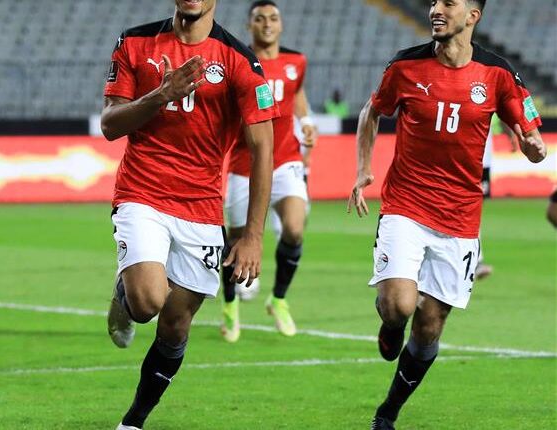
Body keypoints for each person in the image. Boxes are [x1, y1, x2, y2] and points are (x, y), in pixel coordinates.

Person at [346, 1, 546, 429]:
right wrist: (363, 169)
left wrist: (534, 146)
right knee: (399, 305)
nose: (436, 9)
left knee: (430, 327)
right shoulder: (405, 66)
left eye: (449, 3)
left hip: (460, 219)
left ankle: (388, 411)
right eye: (435, 2)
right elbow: (371, 111)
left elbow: (531, 130)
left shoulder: (498, 74)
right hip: (406, 205)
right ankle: (390, 323)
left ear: (473, 16)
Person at [102, 0, 277, 428]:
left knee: (176, 325)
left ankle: (133, 421)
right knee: (148, 302)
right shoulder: (135, 42)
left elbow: (263, 149)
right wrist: (161, 94)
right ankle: (127, 296)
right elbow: (110, 124)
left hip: (201, 206)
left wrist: (253, 236)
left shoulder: (239, 60)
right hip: (142, 192)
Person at [220, 0, 316, 342]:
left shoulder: (296, 61)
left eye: (273, 18)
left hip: (286, 160)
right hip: (245, 165)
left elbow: (296, 92)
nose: (267, 24)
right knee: (236, 241)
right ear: (250, 26)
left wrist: (306, 120)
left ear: (281, 24)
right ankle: (230, 306)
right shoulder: (240, 62)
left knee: (294, 229)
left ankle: (278, 299)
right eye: (259, 19)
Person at [474, 113, 517, 280]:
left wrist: (510, 134)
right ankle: (475, 260)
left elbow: (501, 109)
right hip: (465, 156)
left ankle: (475, 259)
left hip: (483, 159)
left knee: (475, 208)